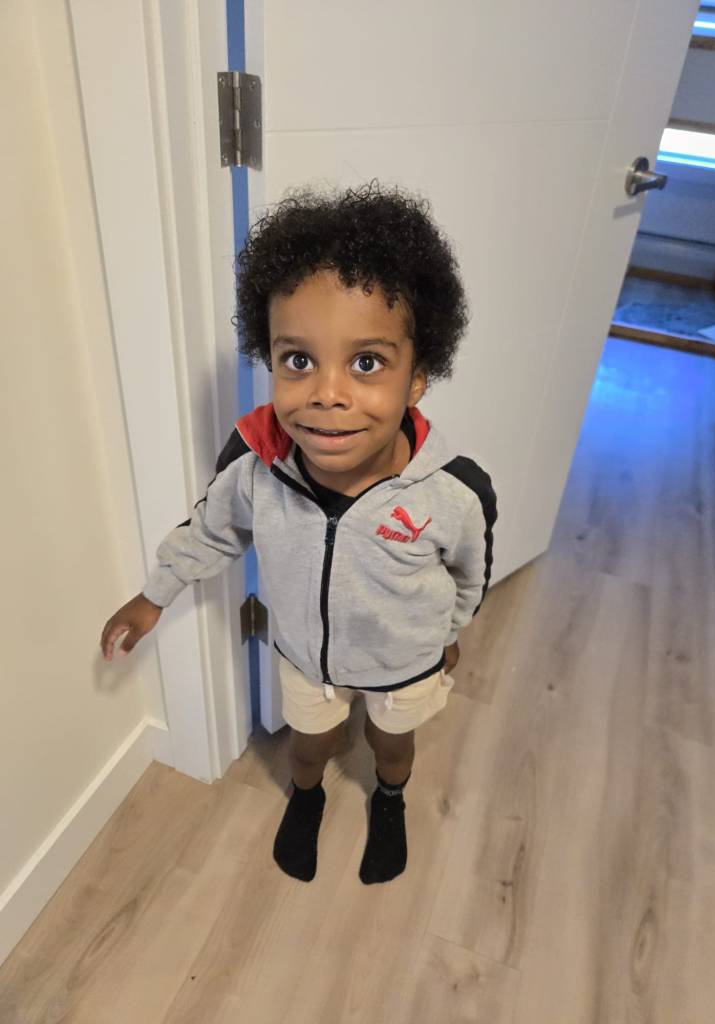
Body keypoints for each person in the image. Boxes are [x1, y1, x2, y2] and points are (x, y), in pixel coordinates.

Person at [100, 180, 497, 885]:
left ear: (417, 378)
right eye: (298, 360)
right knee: (308, 746)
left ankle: (391, 800)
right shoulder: (257, 470)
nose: (327, 393)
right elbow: (211, 531)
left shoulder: (452, 492)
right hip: (304, 658)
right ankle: (307, 800)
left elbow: (471, 570)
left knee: (391, 742)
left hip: (405, 661)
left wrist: (446, 633)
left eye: (367, 362)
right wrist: (153, 594)